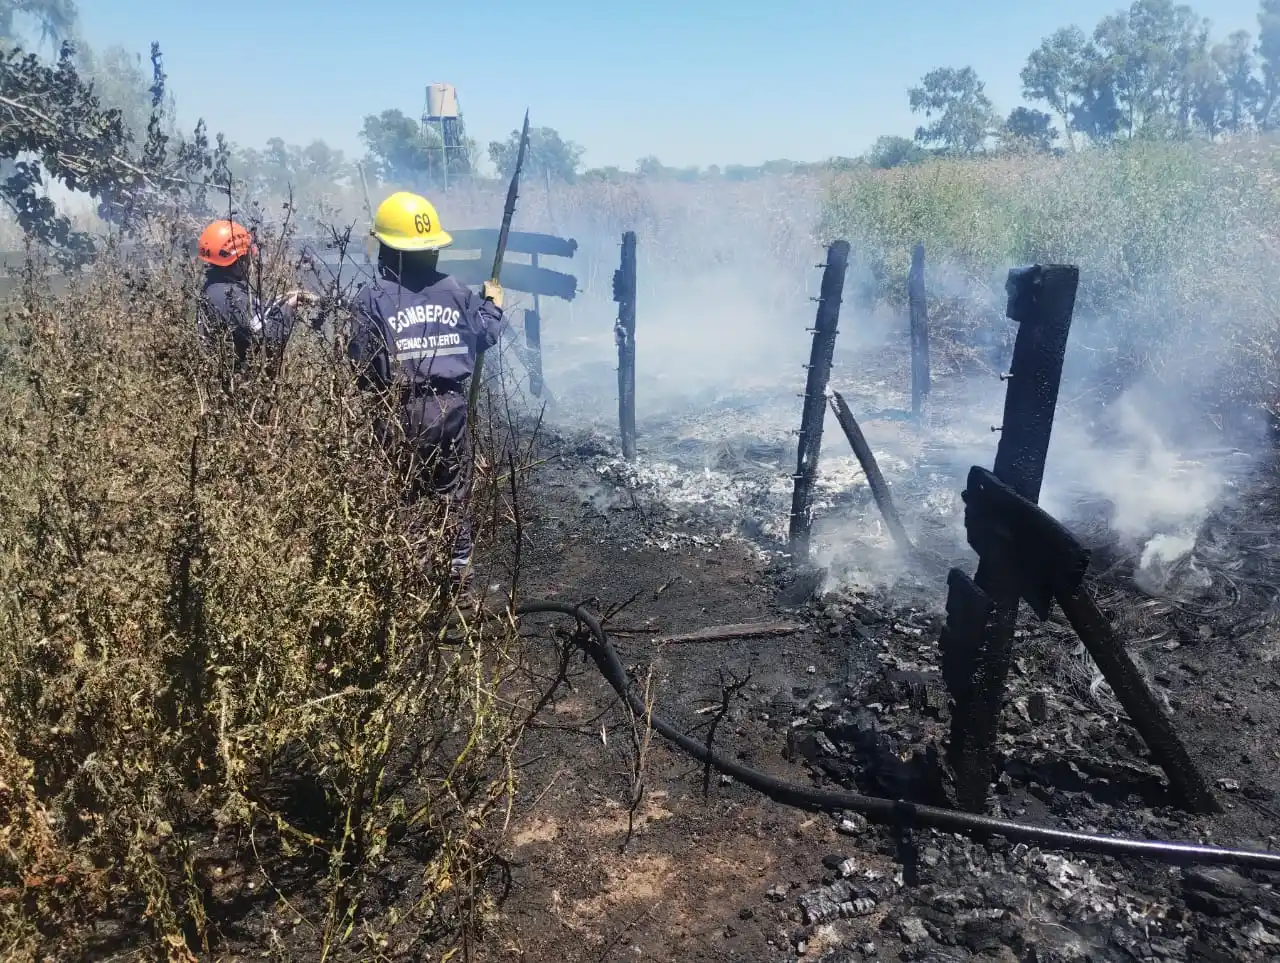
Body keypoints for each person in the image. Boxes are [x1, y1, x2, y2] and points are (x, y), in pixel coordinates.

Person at [346, 191, 506, 594]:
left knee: (406, 495)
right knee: (452, 496)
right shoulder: (455, 290)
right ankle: (458, 581)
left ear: (389, 250)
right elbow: (484, 334)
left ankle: (414, 582)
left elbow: (362, 367)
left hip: (399, 411)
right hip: (451, 409)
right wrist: (493, 305)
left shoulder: (372, 298)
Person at [195, 218, 312, 363]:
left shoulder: (215, 288)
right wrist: (288, 307)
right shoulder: (230, 297)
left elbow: (250, 320)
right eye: (247, 256)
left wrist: (279, 301)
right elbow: (269, 340)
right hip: (241, 374)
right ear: (239, 260)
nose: (251, 261)